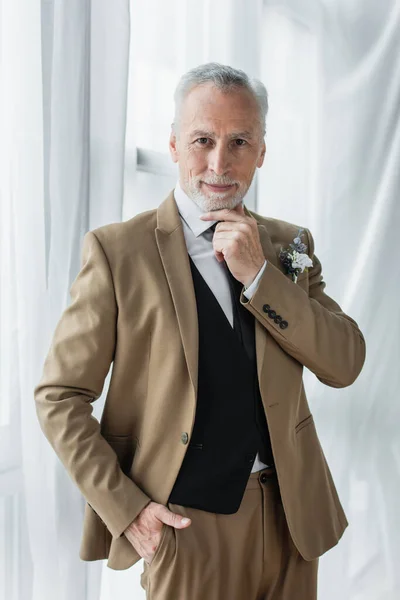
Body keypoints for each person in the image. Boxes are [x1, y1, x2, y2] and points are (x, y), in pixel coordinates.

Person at [34, 62, 366, 599]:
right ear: (172, 144)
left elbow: (345, 363)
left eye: (239, 142)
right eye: (202, 140)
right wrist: (128, 508)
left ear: (262, 151)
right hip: (185, 529)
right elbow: (59, 396)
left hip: (290, 520)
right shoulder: (118, 253)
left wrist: (261, 277)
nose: (219, 162)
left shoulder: (287, 247)